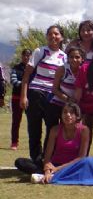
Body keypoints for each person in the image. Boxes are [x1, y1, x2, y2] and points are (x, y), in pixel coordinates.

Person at [20, 25, 67, 164]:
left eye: (56, 34)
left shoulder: (64, 57)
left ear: (61, 37)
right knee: (34, 129)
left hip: (53, 97)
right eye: (50, 34)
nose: (53, 36)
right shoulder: (40, 51)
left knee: (52, 128)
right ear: (47, 36)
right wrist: (24, 96)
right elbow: (26, 75)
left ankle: (46, 159)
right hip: (36, 94)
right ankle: (35, 159)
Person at [14, 102, 90, 182]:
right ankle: (49, 175)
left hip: (72, 166)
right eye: (65, 112)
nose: (67, 115)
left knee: (86, 163)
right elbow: (47, 156)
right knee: (20, 162)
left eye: (71, 112)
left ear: (77, 116)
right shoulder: (55, 130)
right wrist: (47, 170)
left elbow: (81, 157)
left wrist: (57, 169)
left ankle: (50, 175)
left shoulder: (84, 130)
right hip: (54, 164)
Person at [9, 48, 32, 150]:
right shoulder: (16, 68)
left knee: (32, 121)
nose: (26, 57)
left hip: (30, 98)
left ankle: (33, 143)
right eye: (25, 55)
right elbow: (13, 81)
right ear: (22, 56)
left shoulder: (33, 68)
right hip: (16, 98)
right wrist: (25, 85)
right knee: (16, 121)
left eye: (28, 55)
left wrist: (26, 85)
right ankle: (14, 143)